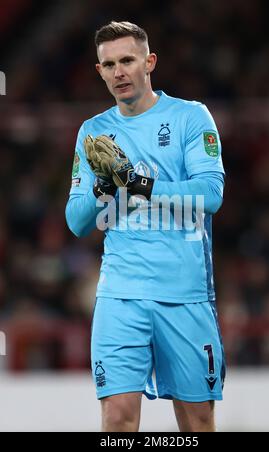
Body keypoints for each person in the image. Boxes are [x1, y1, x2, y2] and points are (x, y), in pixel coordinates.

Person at [65, 20, 226, 432]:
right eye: (108, 64)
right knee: (117, 418)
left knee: (198, 420)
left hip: (185, 294)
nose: (118, 71)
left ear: (149, 62)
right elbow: (77, 221)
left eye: (127, 60)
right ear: (99, 71)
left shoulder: (191, 117)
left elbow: (210, 196)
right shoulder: (93, 132)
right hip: (120, 294)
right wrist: (104, 186)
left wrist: (136, 183)